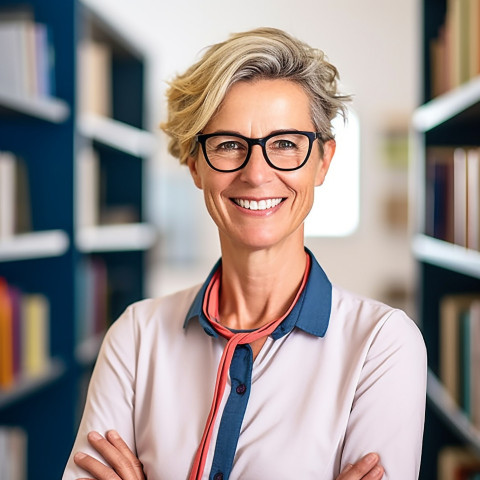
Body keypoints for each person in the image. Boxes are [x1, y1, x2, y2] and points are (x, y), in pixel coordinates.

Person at [63, 27, 427, 480]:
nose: (257, 174)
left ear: (323, 161)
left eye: (285, 144)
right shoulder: (136, 338)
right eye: (230, 145)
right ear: (195, 164)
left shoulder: (382, 345)